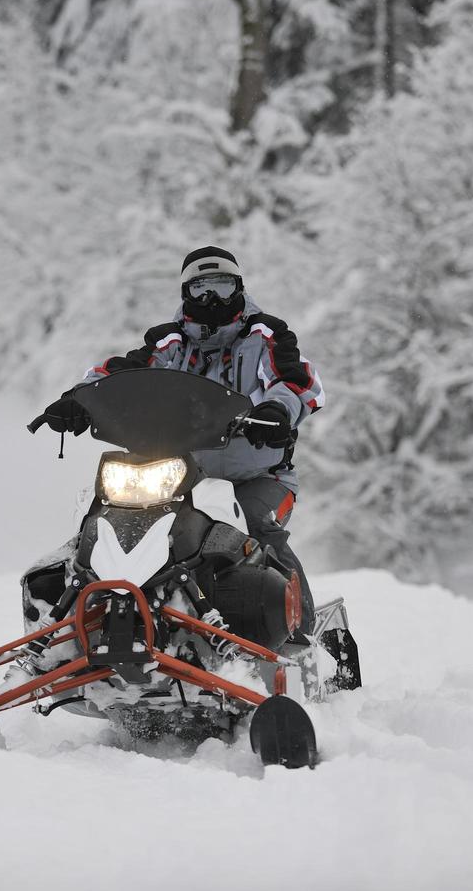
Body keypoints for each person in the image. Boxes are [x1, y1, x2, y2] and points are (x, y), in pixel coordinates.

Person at [36, 244, 323, 634]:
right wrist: (78, 401)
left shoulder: (266, 335)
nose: (211, 299)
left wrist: (276, 409)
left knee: (256, 526)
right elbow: (119, 373)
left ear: (238, 287)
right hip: (179, 475)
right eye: (200, 288)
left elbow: (296, 380)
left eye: (221, 287)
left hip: (257, 475)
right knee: (103, 520)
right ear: (185, 293)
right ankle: (80, 630)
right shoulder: (166, 342)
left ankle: (300, 633)